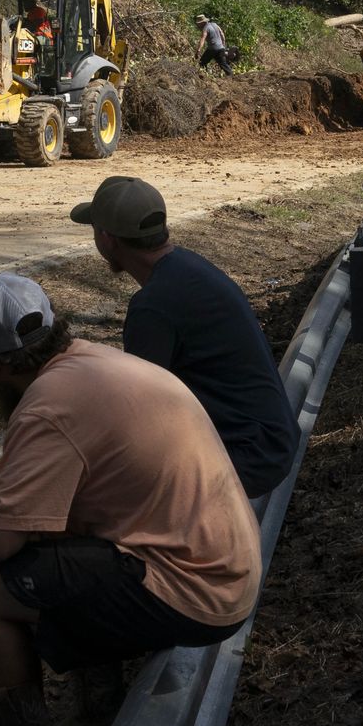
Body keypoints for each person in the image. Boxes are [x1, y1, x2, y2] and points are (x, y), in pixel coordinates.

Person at [0, 273, 261, 726]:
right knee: (63, 541)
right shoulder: (99, 362)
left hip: (196, 591)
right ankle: (94, 716)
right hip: (224, 569)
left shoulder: (49, 405)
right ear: (56, 326)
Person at [71, 176, 298, 499]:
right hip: (268, 439)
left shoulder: (154, 306)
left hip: (248, 455)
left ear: (107, 239)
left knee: (104, 492)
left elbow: (137, 412)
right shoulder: (187, 266)